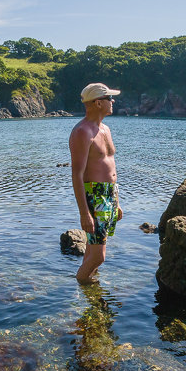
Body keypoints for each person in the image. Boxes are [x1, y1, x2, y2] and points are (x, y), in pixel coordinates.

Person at [70, 82, 123, 282]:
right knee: (99, 256)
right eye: (110, 98)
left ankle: (88, 290)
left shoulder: (105, 129)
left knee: (93, 251)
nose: (113, 101)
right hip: (94, 195)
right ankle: (82, 285)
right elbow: (77, 175)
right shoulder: (82, 132)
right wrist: (84, 213)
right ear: (98, 103)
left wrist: (117, 202)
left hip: (109, 194)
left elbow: (110, 167)